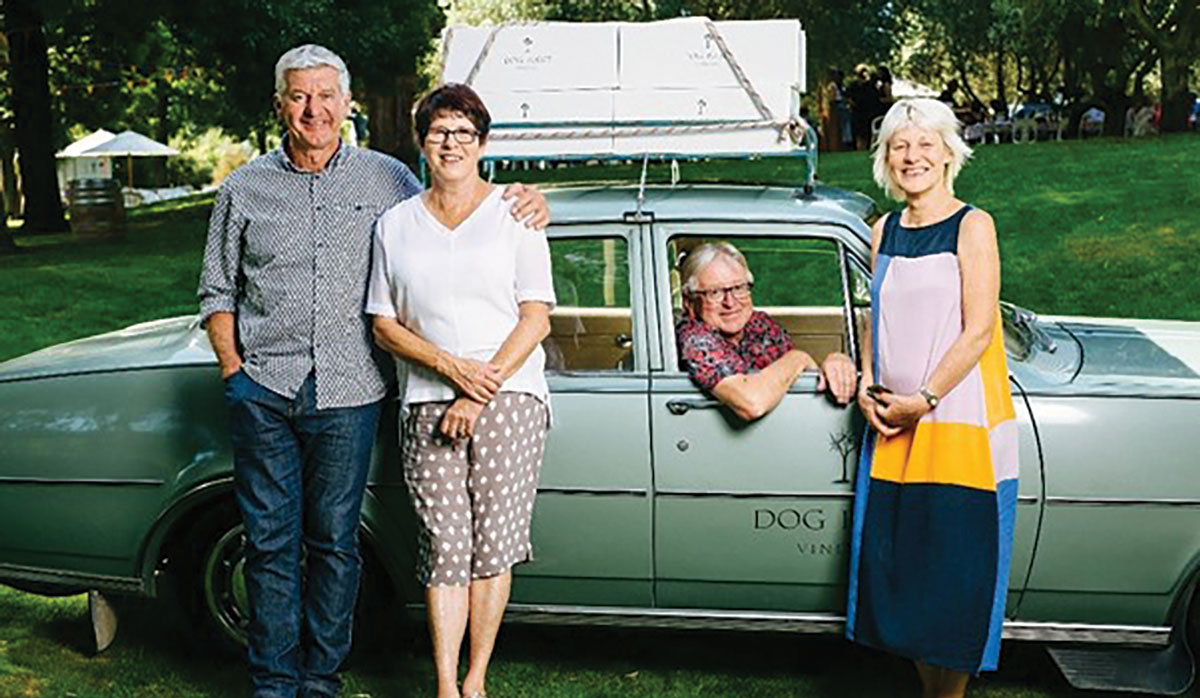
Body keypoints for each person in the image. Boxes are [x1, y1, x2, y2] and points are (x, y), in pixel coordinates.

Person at [197, 45, 548, 698]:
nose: (314, 110)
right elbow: (216, 289)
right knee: (270, 544)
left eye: (326, 96)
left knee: (334, 542)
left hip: (350, 392)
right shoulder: (243, 187)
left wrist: (528, 198)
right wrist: (234, 373)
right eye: (300, 96)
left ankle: (321, 678)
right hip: (265, 390)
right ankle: (274, 682)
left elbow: (456, 215)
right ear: (280, 105)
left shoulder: (389, 181)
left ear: (347, 103)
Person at [366, 83, 555, 698]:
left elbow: (536, 317)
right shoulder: (396, 224)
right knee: (445, 543)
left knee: (493, 542)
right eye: (439, 132)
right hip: (425, 397)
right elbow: (384, 322)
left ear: (482, 143)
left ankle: (476, 680)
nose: (451, 144)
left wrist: (478, 392)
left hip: (510, 398)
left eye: (464, 133)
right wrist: (449, 369)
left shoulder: (516, 214)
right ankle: (445, 685)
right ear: (422, 142)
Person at [845, 98, 1018, 698]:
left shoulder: (973, 225)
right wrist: (868, 383)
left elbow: (979, 328)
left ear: (949, 152)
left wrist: (926, 395)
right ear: (886, 160)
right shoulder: (882, 231)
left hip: (957, 424)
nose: (912, 156)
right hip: (893, 424)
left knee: (954, 574)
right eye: (899, 146)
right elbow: (876, 317)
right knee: (905, 573)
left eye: (924, 144)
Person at [675, 242, 857, 419]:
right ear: (689, 302)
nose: (730, 303)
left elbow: (800, 376)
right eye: (715, 292)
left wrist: (835, 362)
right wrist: (798, 357)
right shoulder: (694, 338)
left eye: (739, 288)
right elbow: (751, 403)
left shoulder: (759, 323)